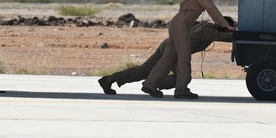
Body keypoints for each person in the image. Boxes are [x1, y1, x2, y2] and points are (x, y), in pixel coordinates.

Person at [141, 0, 241, 99]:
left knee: (169, 57)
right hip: (181, 25)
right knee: (184, 58)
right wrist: (225, 25)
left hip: (178, 23)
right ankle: (181, 90)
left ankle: (149, 84)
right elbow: (212, 9)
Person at [97, 18, 235, 94]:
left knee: (145, 70)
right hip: (175, 48)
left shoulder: (205, 26)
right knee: (182, 76)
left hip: (168, 44)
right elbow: (226, 37)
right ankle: (153, 85)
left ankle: (109, 79)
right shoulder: (208, 31)